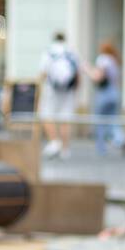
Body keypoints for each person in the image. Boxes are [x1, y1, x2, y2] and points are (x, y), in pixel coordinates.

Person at [39, 32, 80, 160]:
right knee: (65, 119)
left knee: (46, 115)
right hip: (68, 91)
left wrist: (39, 89)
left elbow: (43, 73)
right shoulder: (71, 52)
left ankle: (54, 142)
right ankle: (65, 149)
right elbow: (78, 74)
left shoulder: (49, 52)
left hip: (51, 90)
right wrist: (76, 90)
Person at [84, 41, 125, 156]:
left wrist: (87, 69)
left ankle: (101, 148)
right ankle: (121, 139)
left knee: (99, 121)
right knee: (113, 120)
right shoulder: (114, 61)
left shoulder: (103, 59)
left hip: (104, 93)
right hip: (115, 93)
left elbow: (97, 76)